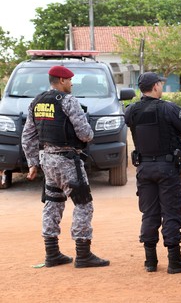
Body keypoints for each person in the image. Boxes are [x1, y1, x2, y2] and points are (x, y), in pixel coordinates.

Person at [21, 65, 109, 268]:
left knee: (53, 203)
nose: (71, 84)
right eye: (70, 80)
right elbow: (85, 134)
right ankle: (83, 253)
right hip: (68, 161)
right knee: (83, 203)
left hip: (48, 160)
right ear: (61, 81)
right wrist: (90, 133)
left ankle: (52, 253)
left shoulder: (37, 101)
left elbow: (28, 135)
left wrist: (32, 163)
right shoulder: (69, 101)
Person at [124, 72, 181, 274]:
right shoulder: (168, 108)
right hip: (167, 168)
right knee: (171, 211)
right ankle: (175, 261)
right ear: (155, 86)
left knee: (149, 213)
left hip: (144, 168)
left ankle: (150, 261)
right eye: (160, 84)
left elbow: (129, 123)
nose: (161, 87)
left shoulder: (132, 111)